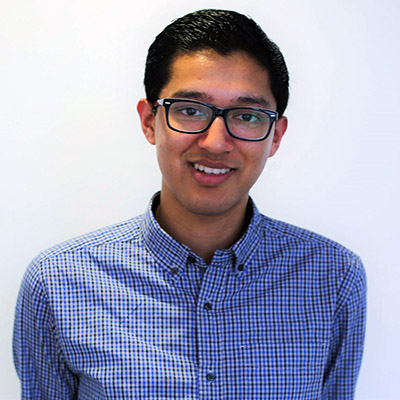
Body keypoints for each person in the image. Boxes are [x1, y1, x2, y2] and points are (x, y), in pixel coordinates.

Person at [13, 9, 366, 399]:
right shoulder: (60, 282)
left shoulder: (332, 278)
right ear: (150, 121)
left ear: (276, 136)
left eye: (246, 115)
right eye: (190, 110)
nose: (216, 142)